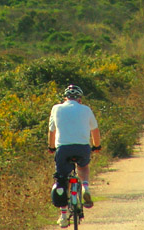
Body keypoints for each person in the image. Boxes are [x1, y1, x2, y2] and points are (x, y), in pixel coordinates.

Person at [48, 84, 102, 228]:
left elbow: (52, 132)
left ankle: (64, 216)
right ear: (80, 99)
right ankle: (85, 187)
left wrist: (51, 147)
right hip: (82, 148)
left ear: (65, 98)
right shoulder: (86, 109)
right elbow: (95, 131)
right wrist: (96, 146)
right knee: (83, 167)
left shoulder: (56, 108)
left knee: (61, 179)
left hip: (63, 149)